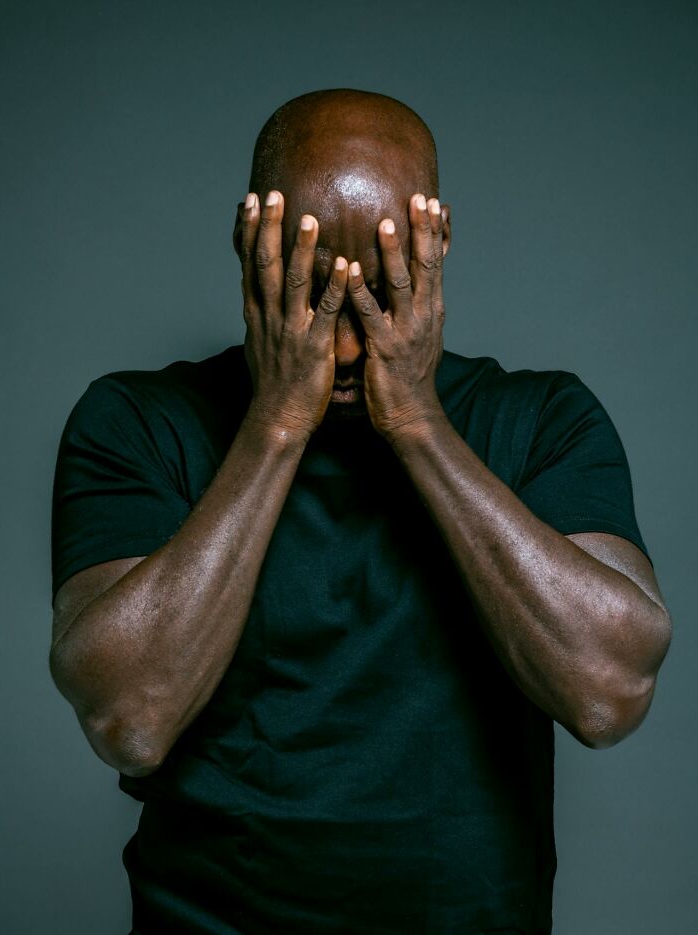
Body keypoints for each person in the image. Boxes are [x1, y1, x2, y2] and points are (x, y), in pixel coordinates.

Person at [49, 88, 672, 935]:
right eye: (313, 294)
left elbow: (610, 693)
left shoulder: (542, 423)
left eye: (382, 291)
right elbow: (130, 718)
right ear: (250, 248)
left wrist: (416, 421)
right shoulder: (138, 423)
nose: (345, 345)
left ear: (437, 246)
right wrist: (275, 422)